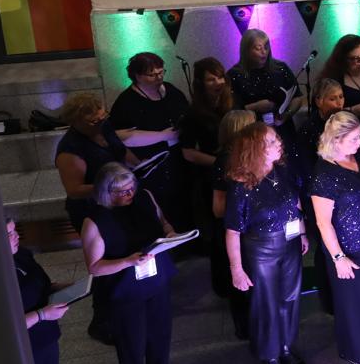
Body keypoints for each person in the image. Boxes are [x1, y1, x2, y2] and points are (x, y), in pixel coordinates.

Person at [81, 163, 180, 364]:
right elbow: (95, 267)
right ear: (106, 192)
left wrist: (170, 234)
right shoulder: (95, 221)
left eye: (131, 188)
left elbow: (163, 222)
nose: (130, 194)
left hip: (156, 280)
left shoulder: (144, 198)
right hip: (126, 290)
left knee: (160, 333)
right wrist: (127, 261)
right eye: (122, 191)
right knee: (131, 342)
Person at [223, 123, 307, 364]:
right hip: (262, 250)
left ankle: (285, 347)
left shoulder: (282, 170)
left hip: (291, 242)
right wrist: (236, 269)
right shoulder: (242, 186)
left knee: (290, 297)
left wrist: (303, 233)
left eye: (276, 139)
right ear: (254, 149)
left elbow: (295, 204)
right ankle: (269, 357)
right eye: (271, 142)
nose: (278, 143)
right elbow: (232, 231)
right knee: (267, 304)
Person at [309, 112, 360, 364]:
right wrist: (338, 257)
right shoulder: (324, 175)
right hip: (349, 246)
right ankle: (357, 350)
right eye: (354, 138)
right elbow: (323, 222)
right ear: (336, 140)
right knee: (354, 301)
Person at [0, 217, 81, 364]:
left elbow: (42, 285)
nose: (16, 236)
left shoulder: (21, 255)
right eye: (9, 234)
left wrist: (68, 288)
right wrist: (42, 314)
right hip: (21, 346)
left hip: (44, 337)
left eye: (15, 230)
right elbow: (2, 326)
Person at [108, 52, 188, 228]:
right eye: (152, 75)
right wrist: (162, 136)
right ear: (137, 76)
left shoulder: (171, 90)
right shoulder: (127, 102)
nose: (159, 78)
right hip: (151, 166)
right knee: (161, 210)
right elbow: (118, 136)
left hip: (178, 161)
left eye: (161, 72)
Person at [179, 57, 233, 283]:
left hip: (235, 172)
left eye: (220, 77)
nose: (218, 83)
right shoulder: (194, 114)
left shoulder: (231, 103)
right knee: (219, 231)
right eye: (211, 79)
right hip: (212, 176)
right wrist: (220, 163)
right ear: (201, 84)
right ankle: (223, 281)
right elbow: (188, 152)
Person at [55, 92, 136, 232]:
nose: (101, 122)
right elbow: (74, 191)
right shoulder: (70, 149)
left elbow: (119, 150)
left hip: (117, 200)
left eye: (104, 116)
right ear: (75, 122)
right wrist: (112, 188)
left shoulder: (104, 126)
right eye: (94, 121)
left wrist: (139, 164)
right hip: (93, 208)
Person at [212, 110, 259, 336]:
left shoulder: (252, 157)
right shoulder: (225, 162)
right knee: (242, 284)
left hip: (252, 230)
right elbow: (218, 208)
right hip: (237, 230)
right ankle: (246, 328)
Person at [228, 29, 303, 121]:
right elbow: (230, 112)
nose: (264, 52)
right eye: (258, 48)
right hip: (250, 126)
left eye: (266, 47)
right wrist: (254, 107)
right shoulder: (234, 74)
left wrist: (287, 114)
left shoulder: (280, 68)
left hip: (281, 124)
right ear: (246, 51)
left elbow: (297, 97)